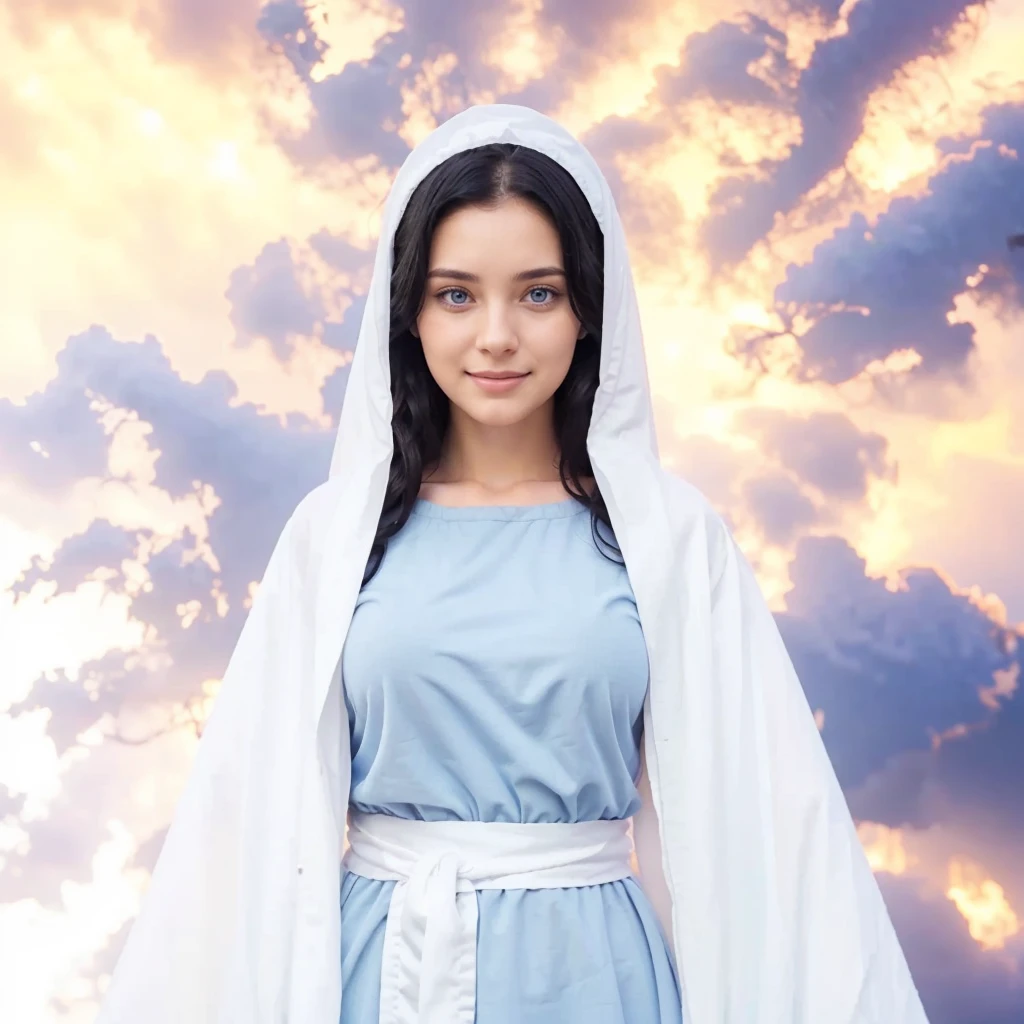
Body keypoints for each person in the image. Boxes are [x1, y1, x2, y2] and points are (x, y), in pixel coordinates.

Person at [96, 105, 930, 1024]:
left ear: (588, 313)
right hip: (384, 970)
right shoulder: (333, 537)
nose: (497, 335)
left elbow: (772, 824)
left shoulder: (672, 539)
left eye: (538, 293)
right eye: (457, 294)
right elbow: (240, 822)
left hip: (596, 976)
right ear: (407, 310)